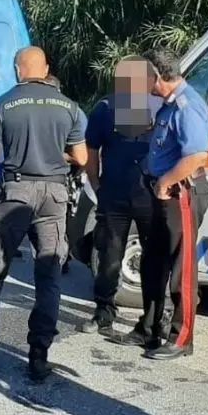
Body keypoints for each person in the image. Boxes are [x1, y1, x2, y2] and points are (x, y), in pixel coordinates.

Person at [0, 46, 88, 382]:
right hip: (54, 195)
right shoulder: (70, 107)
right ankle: (38, 356)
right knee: (48, 276)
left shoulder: (3, 104)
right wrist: (54, 153)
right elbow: (81, 157)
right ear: (46, 68)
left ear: (18, 70)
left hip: (17, 192)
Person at [106, 48, 208, 360]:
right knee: (153, 263)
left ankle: (182, 338)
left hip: (181, 193)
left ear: (157, 76)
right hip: (161, 193)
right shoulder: (168, 105)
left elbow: (197, 155)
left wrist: (165, 182)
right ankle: (149, 328)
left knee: (181, 270)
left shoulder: (186, 104)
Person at [77, 56, 163, 335]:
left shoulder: (161, 107)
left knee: (155, 258)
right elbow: (91, 152)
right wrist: (96, 184)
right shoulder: (105, 109)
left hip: (150, 197)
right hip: (113, 195)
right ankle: (103, 312)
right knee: (108, 255)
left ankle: (154, 319)